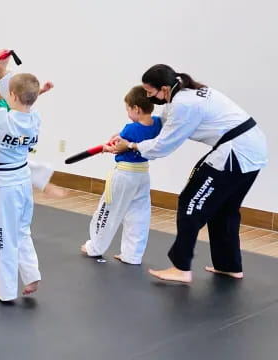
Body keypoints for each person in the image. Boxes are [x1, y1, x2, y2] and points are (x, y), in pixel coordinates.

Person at [110, 64, 268, 283]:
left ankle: (181, 267)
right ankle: (229, 266)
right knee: (224, 208)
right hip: (251, 149)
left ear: (164, 89)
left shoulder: (184, 104)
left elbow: (163, 145)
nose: (147, 96)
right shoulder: (183, 94)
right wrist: (128, 132)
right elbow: (163, 125)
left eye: (149, 92)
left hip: (236, 152)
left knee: (191, 201)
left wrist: (131, 146)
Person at [0, 49, 42, 301]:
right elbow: (15, 95)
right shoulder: (34, 118)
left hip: (2, 185)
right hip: (22, 181)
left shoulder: (1, 120)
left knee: (0, 238)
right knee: (22, 230)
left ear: (11, 95)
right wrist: (3, 73)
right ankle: (31, 272)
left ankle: (4, 291)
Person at [80, 86, 161, 265]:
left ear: (136, 109)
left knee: (107, 211)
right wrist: (120, 136)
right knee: (138, 214)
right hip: (142, 176)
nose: (127, 113)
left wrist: (107, 147)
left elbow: (118, 146)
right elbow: (133, 138)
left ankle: (95, 247)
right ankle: (132, 255)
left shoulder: (130, 129)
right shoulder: (157, 124)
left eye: (127, 109)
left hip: (124, 175)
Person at [0, 81, 65, 228]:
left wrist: (40, 91)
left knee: (11, 165)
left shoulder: (3, 103)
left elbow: (22, 100)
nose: (6, 93)